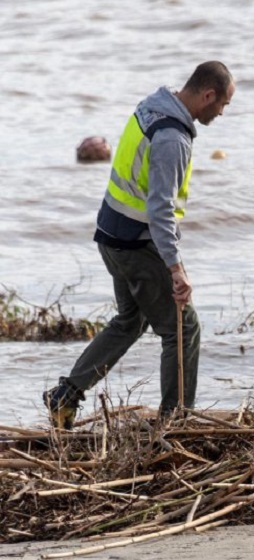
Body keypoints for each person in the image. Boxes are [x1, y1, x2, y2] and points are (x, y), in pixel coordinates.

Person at [43, 61, 235, 429]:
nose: (223, 112)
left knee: (130, 320)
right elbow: (160, 209)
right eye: (223, 104)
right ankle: (175, 422)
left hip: (111, 235)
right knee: (183, 328)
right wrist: (176, 269)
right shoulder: (173, 139)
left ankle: (64, 396)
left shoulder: (152, 106)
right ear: (208, 95)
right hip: (135, 244)